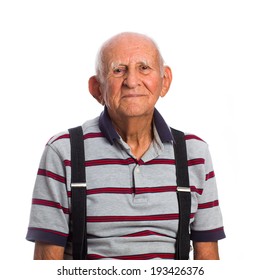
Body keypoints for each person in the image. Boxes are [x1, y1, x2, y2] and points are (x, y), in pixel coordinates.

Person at [26, 32, 225, 260]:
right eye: (118, 70)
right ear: (97, 89)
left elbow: (208, 260)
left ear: (165, 81)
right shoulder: (63, 152)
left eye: (144, 68)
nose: (132, 81)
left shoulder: (194, 153)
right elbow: (46, 262)